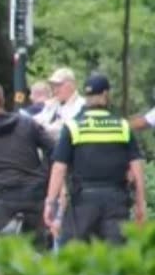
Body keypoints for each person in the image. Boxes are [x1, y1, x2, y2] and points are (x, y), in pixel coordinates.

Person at [44, 74, 146, 245]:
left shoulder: (73, 126)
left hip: (83, 203)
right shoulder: (122, 126)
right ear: (106, 95)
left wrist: (50, 203)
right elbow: (136, 167)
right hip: (116, 202)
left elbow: (59, 167)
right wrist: (140, 202)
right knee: (115, 259)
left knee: (74, 257)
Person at [0, 82, 54, 261]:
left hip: (5, 198)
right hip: (36, 195)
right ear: (3, 101)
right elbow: (54, 149)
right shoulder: (27, 124)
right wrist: (43, 176)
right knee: (38, 248)